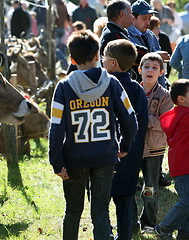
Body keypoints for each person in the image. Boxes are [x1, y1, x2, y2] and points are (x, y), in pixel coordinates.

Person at [49, 29, 137, 240]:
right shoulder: (113, 83)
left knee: (72, 211)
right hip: (105, 156)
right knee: (100, 212)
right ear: (98, 55)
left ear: (71, 58)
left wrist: (56, 160)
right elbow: (130, 119)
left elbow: (56, 127)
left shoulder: (63, 87)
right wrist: (125, 145)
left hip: (74, 159)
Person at [103, 39, 148, 240]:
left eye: (104, 58)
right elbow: (142, 123)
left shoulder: (102, 87)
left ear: (112, 63)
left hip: (104, 154)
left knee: (101, 202)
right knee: (125, 201)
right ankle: (124, 236)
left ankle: (105, 233)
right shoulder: (138, 90)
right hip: (130, 153)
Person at [137, 52, 174, 232]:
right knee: (128, 184)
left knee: (150, 186)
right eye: (147, 67)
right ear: (139, 69)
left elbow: (166, 122)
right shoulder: (133, 91)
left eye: (154, 68)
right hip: (134, 145)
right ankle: (130, 221)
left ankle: (148, 222)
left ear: (161, 72)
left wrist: (145, 119)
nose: (150, 70)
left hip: (154, 148)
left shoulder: (165, 96)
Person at [154, 78, 189, 240]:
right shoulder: (186, 116)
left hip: (180, 166)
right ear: (182, 99)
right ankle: (164, 228)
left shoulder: (178, 115)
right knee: (187, 202)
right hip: (185, 166)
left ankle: (184, 234)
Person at [127, 0, 170, 89]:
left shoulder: (151, 35)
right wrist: (155, 56)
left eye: (149, 18)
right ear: (133, 18)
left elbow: (160, 68)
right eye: (144, 18)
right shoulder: (126, 36)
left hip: (154, 91)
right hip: (136, 87)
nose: (148, 22)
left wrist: (162, 90)